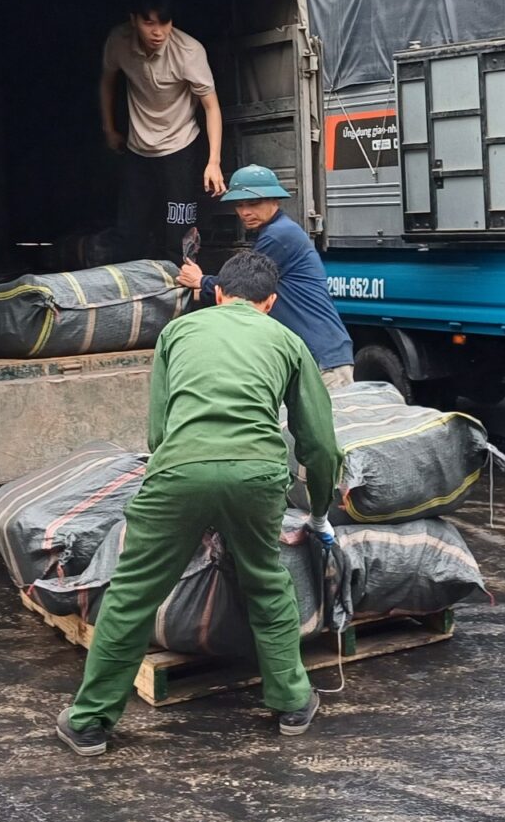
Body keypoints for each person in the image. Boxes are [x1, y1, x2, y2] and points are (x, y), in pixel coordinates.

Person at [57, 250, 342, 752]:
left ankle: (89, 723)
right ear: (270, 302)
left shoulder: (178, 332)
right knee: (266, 582)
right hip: (256, 475)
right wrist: (319, 511)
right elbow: (319, 445)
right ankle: (292, 704)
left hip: (179, 472)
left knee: (132, 595)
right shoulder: (288, 341)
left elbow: (159, 430)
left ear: (216, 292)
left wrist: (183, 482)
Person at [177, 165, 356, 388]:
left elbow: (241, 284)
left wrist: (200, 281)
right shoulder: (274, 232)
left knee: (333, 422)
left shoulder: (279, 235)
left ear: (275, 201)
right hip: (307, 357)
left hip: (323, 360)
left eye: (253, 203)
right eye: (239, 205)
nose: (245, 212)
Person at [101, 0, 227, 263]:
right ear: (133, 20)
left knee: (179, 233)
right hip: (138, 147)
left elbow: (211, 106)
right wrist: (109, 129)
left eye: (165, 23)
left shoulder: (189, 51)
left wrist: (213, 161)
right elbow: (107, 81)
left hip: (181, 143)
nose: (158, 32)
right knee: (129, 230)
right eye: (149, 23)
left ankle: (183, 291)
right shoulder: (119, 42)